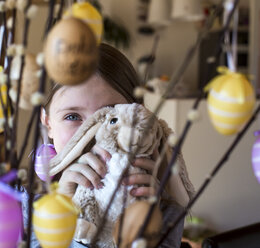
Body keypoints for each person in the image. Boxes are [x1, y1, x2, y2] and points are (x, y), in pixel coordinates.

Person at [22, 43, 194, 248]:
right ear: (48, 122)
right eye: (73, 116)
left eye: (110, 115)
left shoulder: (156, 198)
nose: (92, 132)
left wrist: (150, 223)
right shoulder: (25, 205)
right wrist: (63, 213)